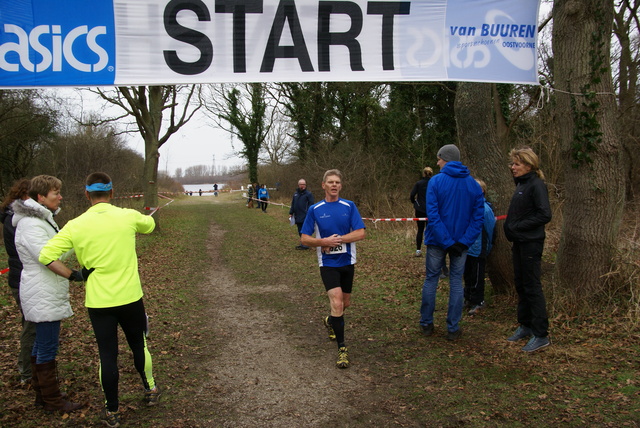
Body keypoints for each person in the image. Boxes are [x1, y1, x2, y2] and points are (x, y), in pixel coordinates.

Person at [39, 172, 159, 427]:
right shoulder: (126, 216)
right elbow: (149, 225)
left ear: (86, 195)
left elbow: (47, 255)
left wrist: (73, 275)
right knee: (139, 345)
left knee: (107, 355)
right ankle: (150, 391)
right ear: (112, 193)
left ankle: (112, 411)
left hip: (99, 302)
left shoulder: (76, 224)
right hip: (130, 297)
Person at [12, 175, 84, 412]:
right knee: (47, 345)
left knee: (41, 343)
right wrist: (73, 274)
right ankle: (52, 400)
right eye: (56, 193)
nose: (60, 197)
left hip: (45, 288)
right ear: (41, 197)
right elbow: (47, 258)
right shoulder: (31, 224)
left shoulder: (41, 220)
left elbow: (56, 250)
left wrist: (74, 240)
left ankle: (42, 396)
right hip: (41, 289)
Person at [301, 170, 365, 368]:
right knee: (336, 302)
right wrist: (322, 242)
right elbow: (304, 238)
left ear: (341, 186)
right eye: (330, 182)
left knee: (344, 304)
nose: (334, 185)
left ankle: (330, 320)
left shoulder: (349, 206)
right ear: (323, 185)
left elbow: (360, 233)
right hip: (327, 264)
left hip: (347, 261)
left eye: (337, 182)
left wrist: (338, 240)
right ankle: (342, 349)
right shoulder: (315, 209)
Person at [419, 144, 484, 341]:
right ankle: (453, 328)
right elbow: (477, 217)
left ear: (445, 158)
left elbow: (433, 214)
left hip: (438, 241)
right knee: (456, 282)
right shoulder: (473, 184)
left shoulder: (436, 181)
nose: (437, 162)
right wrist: (464, 242)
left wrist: (448, 242)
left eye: (439, 159)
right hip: (460, 243)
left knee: (432, 279)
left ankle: (426, 324)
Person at [504, 147, 552, 352]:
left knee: (532, 286)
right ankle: (525, 325)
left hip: (531, 243)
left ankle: (541, 334)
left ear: (528, 165)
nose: (512, 167)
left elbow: (544, 215)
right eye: (512, 163)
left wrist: (517, 226)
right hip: (520, 243)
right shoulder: (522, 185)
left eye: (516, 164)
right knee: (521, 284)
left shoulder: (536, 185)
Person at [1, 179, 34, 386]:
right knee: (31, 325)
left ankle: (32, 369)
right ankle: (27, 372)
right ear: (24, 196)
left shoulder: (18, 217)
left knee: (31, 324)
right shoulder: (16, 219)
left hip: (23, 277)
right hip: (22, 278)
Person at [464, 179, 496, 315]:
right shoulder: (466, 207)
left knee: (477, 276)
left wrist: (487, 247)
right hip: (467, 247)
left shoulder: (485, 209)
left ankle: (478, 301)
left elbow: (490, 230)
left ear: (481, 191)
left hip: (479, 248)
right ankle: (468, 298)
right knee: (467, 275)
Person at [409, 167, 433, 257]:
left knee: (420, 230)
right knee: (429, 229)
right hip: (430, 209)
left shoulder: (419, 183)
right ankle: (430, 250)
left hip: (419, 209)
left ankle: (418, 250)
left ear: (423, 174)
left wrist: (414, 202)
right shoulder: (433, 183)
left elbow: (412, 195)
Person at [289, 179, 315, 250]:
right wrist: (291, 212)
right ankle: (303, 243)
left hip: (305, 216)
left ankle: (305, 244)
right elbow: (293, 204)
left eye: (304, 184)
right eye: (301, 184)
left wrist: (309, 214)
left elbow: (311, 204)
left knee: (305, 230)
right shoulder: (295, 194)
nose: (302, 186)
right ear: (298, 185)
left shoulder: (308, 194)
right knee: (299, 230)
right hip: (297, 215)